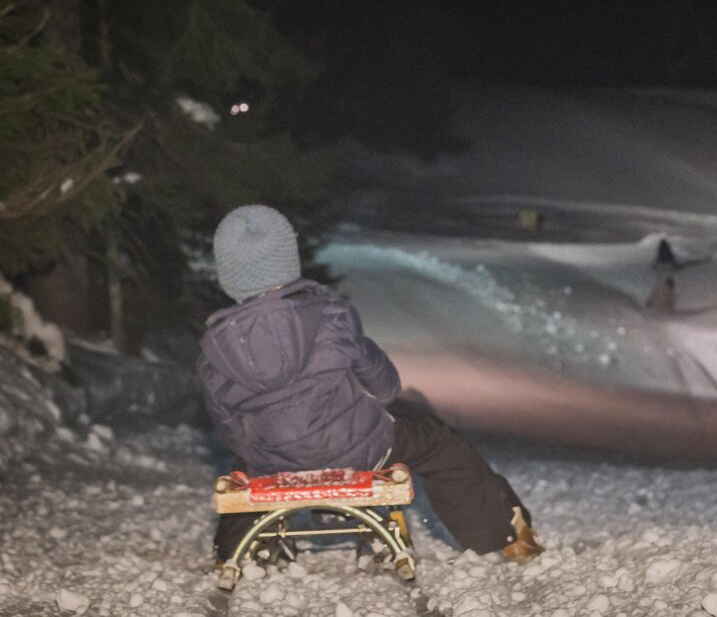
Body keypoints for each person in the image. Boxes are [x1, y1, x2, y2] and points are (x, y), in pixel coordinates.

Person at [197, 205, 543, 568]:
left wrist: (271, 449)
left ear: (228, 275)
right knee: (440, 444)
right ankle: (506, 537)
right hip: (359, 451)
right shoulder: (330, 315)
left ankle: (235, 553)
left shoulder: (214, 349)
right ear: (287, 260)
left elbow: (229, 427)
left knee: (245, 468)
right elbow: (385, 387)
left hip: (275, 462)